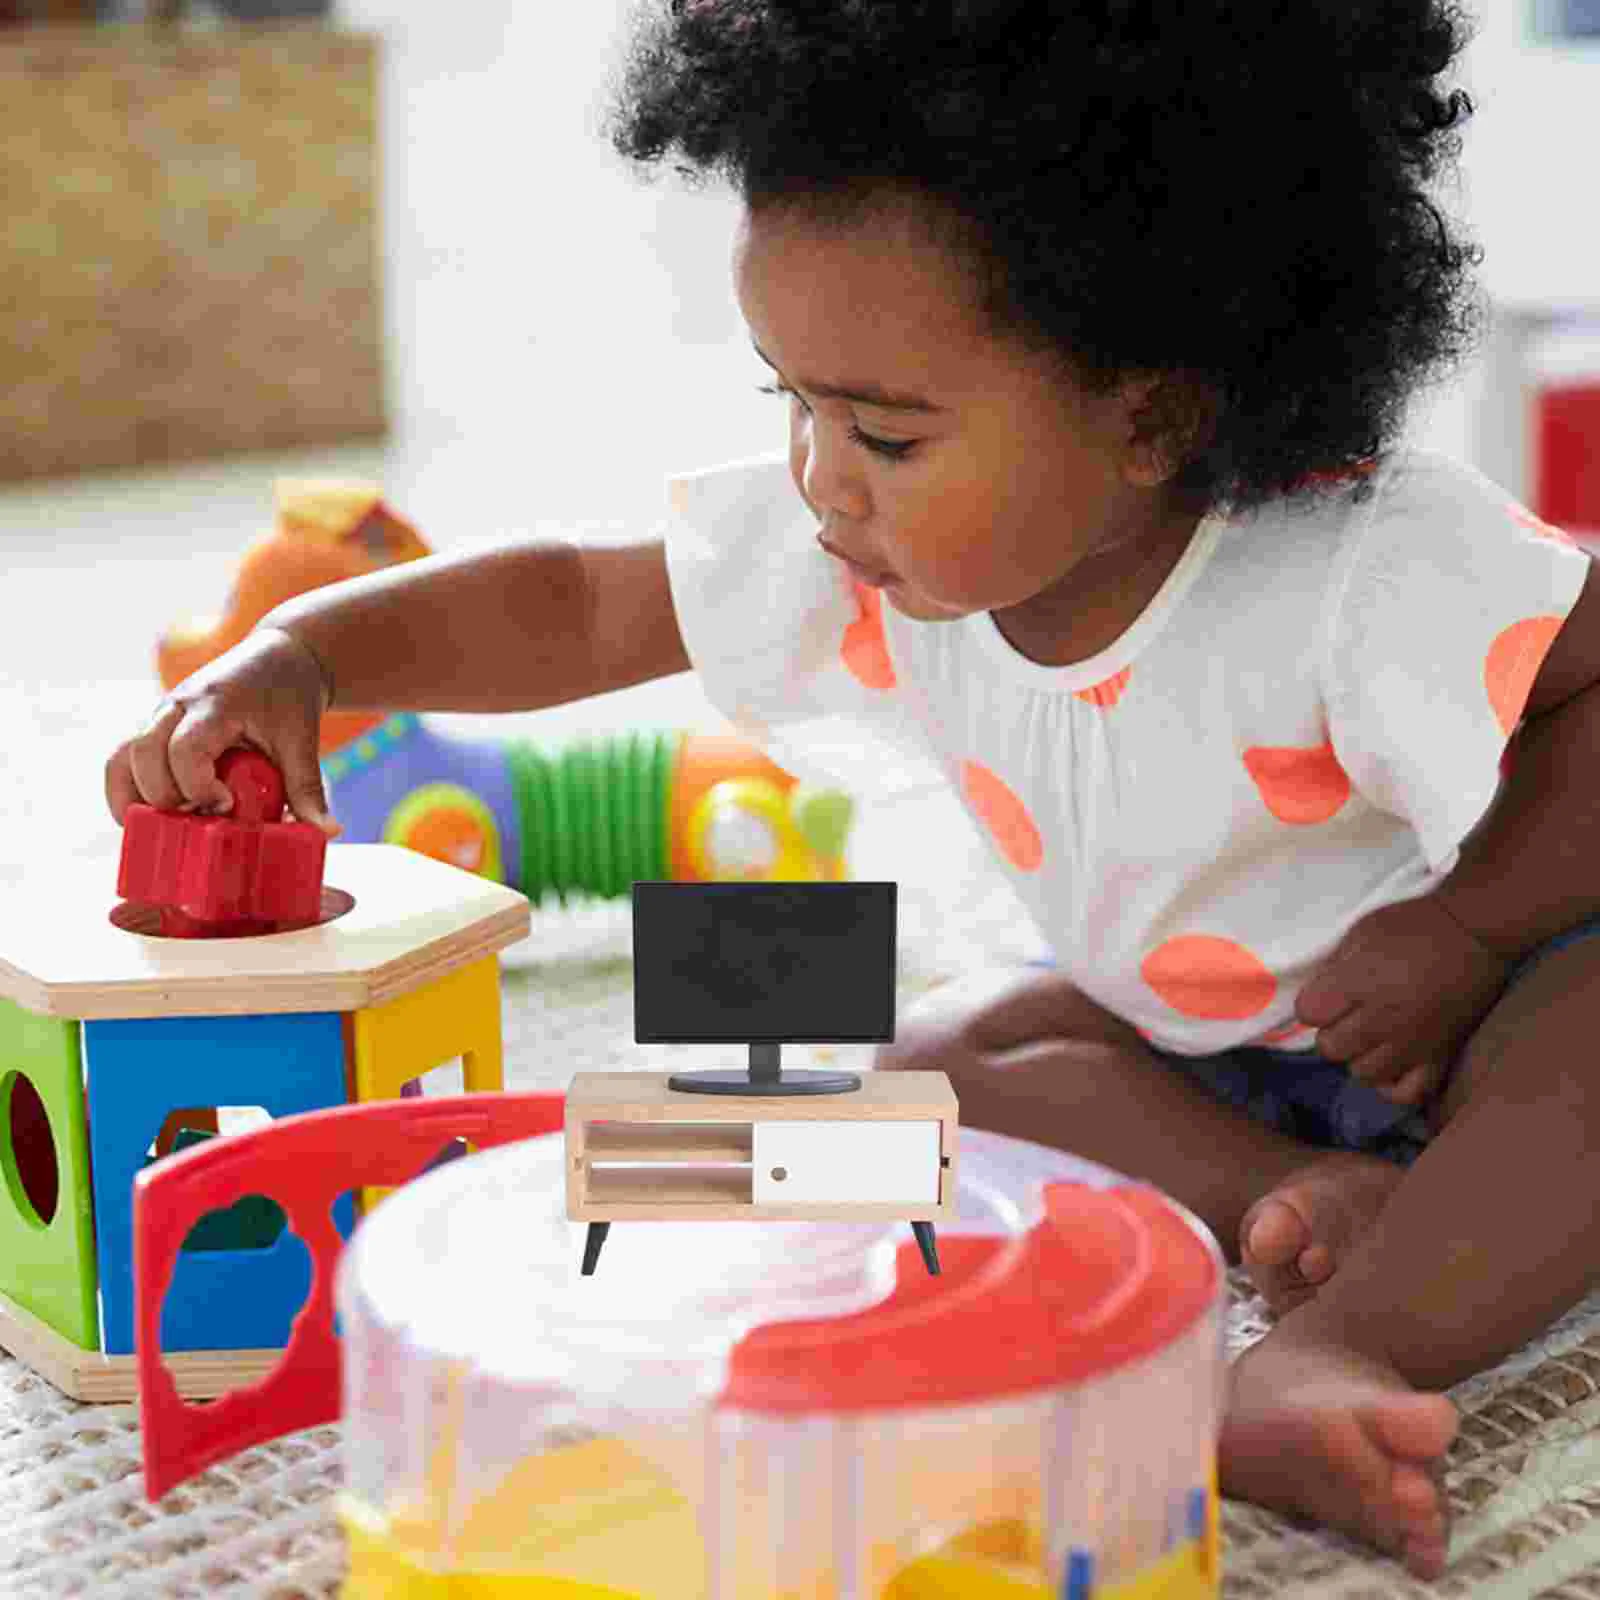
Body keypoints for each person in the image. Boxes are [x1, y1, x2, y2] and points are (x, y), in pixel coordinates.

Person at [103, 0, 1600, 1578]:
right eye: (791, 404)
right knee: (912, 1080)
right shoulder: (873, 560)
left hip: (1462, 1012)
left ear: (1153, 415)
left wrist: (1471, 926)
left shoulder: (1368, 562)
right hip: (1196, 1033)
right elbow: (577, 605)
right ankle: (1297, 1192)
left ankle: (1334, 1347)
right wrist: (306, 656)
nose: (821, 477)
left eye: (882, 431)